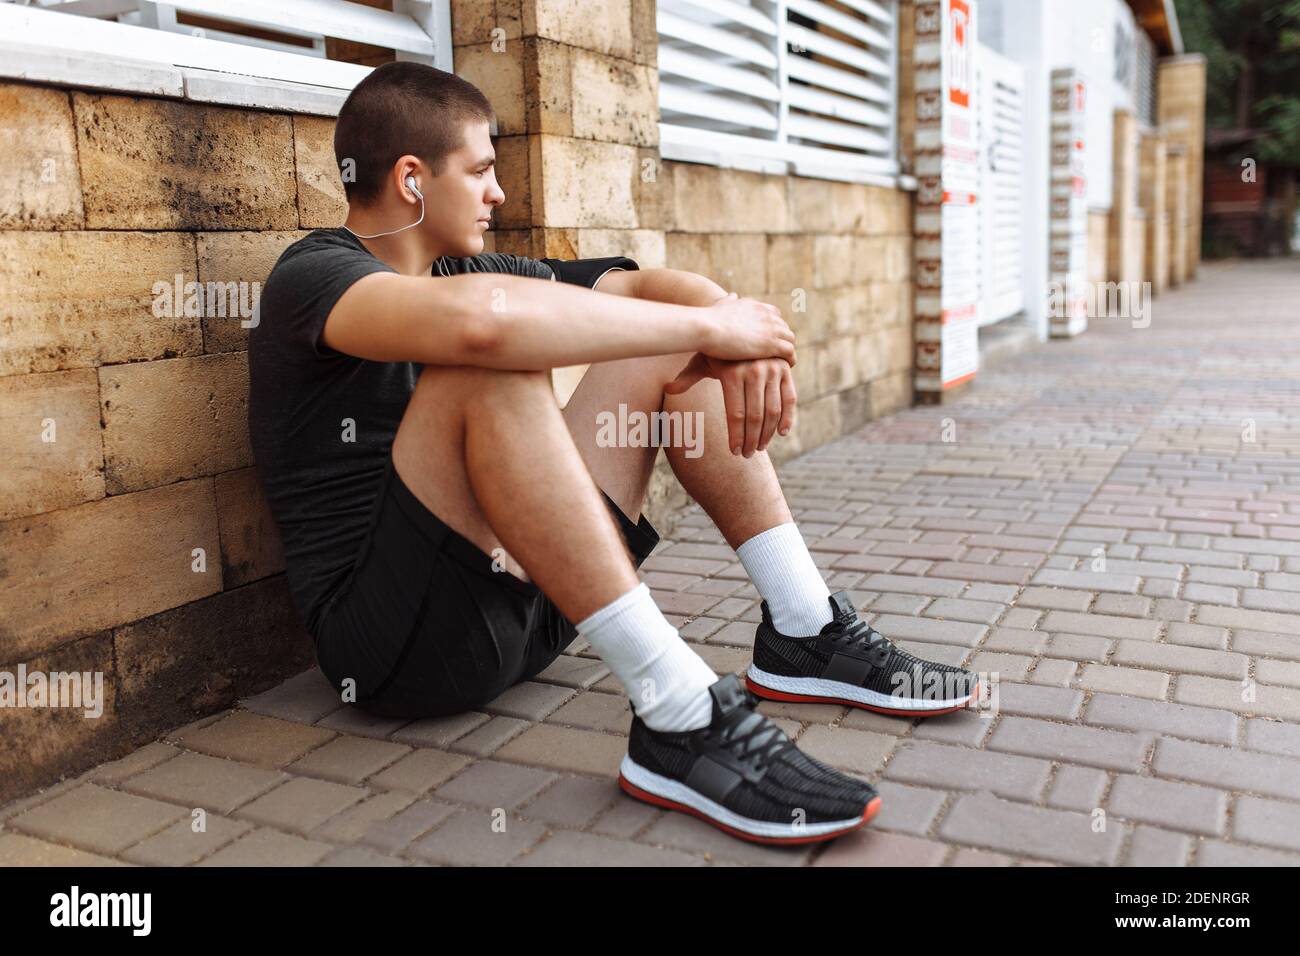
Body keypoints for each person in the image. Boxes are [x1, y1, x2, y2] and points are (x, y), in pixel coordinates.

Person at [249, 61, 978, 846]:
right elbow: (479, 329)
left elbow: (643, 288)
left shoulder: (467, 267)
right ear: (413, 179)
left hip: (530, 614)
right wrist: (711, 332)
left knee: (658, 346)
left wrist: (730, 330)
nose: (498, 193)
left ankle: (802, 626)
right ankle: (680, 715)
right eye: (483, 170)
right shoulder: (313, 277)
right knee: (489, 372)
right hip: (401, 653)